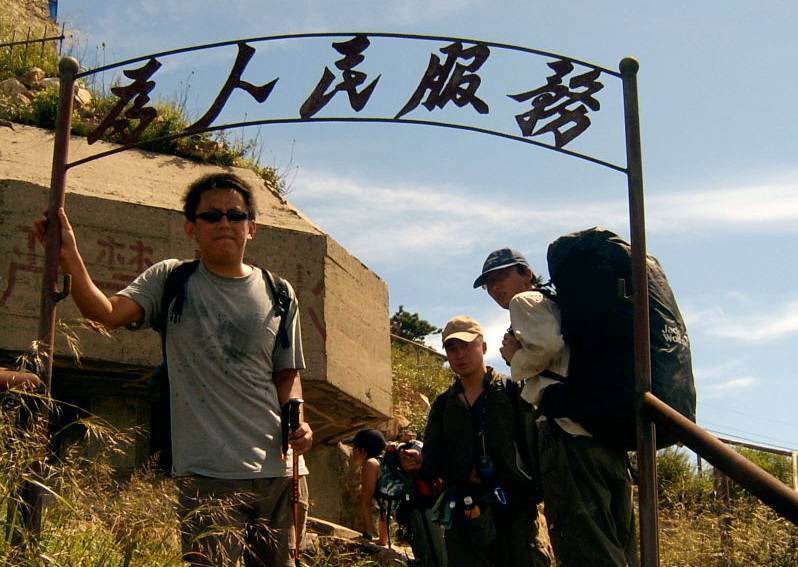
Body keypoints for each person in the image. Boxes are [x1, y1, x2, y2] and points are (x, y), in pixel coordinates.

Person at [34, 173, 313, 567]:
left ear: (252, 228)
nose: (224, 223)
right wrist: (71, 258)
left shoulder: (279, 291)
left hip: (281, 473)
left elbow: (287, 374)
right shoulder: (171, 279)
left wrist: (300, 421)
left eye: (235, 215)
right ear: (190, 228)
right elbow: (106, 313)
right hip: (207, 475)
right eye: (211, 215)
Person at [473, 248, 639, 567]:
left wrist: (514, 358)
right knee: (621, 546)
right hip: (603, 432)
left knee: (585, 547)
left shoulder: (525, 301)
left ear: (526, 273)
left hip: (567, 436)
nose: (495, 288)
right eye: (488, 284)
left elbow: (547, 347)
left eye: (501, 276)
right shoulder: (560, 305)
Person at [401, 316, 552, 567]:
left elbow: (536, 445)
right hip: (465, 512)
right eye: (452, 349)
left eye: (466, 346)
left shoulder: (513, 390)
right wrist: (419, 462)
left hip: (514, 510)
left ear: (483, 347)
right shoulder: (444, 404)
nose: (459, 355)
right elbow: (434, 459)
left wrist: (536, 491)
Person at [347, 428, 389, 545]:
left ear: (362, 450)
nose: (352, 452)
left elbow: (367, 501)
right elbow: (384, 505)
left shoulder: (370, 464)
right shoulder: (382, 461)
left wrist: (367, 535)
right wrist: (382, 540)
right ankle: (382, 538)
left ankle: (368, 533)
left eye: (354, 448)